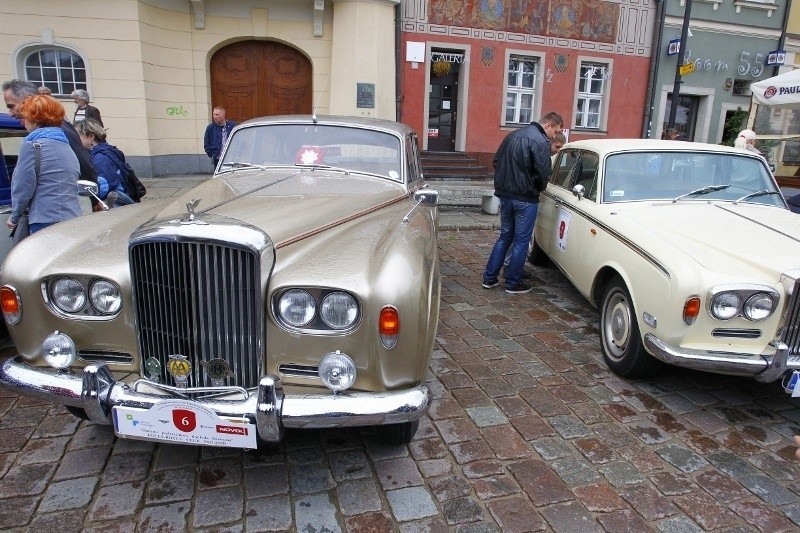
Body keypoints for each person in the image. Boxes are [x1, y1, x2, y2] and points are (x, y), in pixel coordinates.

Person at [483, 111, 564, 294]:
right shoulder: (541, 141)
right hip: (526, 198)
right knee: (521, 241)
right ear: (548, 125)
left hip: (505, 195)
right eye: (555, 131)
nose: (554, 135)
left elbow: (496, 161)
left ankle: (489, 278)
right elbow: (543, 173)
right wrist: (538, 187)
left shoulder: (512, 135)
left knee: (505, 237)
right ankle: (513, 283)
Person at [4, 79, 100, 210]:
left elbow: (83, 163)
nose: (10, 113)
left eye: (11, 106)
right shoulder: (54, 128)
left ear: (27, 100)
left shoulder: (57, 129)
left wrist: (94, 200)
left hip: (63, 208)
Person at [6, 95, 82, 236]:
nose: (23, 123)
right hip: (72, 219)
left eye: (24, 118)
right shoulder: (66, 146)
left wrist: (14, 216)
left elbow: (22, 187)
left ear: (35, 119)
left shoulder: (32, 146)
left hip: (44, 220)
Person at [75, 119, 134, 208]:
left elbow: (103, 186)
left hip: (116, 206)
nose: (76, 140)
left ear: (91, 136)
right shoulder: (107, 150)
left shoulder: (100, 158)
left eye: (78, 136)